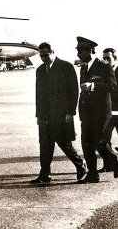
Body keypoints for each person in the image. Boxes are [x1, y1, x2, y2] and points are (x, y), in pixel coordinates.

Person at [31, 42, 87, 184]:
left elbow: (74, 91)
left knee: (64, 143)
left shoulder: (66, 67)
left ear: (52, 52)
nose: (43, 58)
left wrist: (70, 112)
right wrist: (38, 115)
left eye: (46, 55)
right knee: (44, 145)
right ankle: (45, 174)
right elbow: (39, 95)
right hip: (45, 115)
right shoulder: (40, 70)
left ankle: (81, 166)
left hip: (61, 114)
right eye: (41, 56)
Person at [76, 36, 118, 183]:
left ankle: (115, 160)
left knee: (98, 142)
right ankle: (93, 174)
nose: (78, 54)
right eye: (78, 51)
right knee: (85, 143)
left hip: (101, 112)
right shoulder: (83, 67)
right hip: (87, 112)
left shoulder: (104, 65)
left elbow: (113, 86)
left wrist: (93, 86)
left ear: (91, 51)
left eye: (81, 51)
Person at [98, 48, 118, 171]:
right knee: (103, 139)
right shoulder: (103, 72)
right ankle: (109, 164)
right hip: (108, 112)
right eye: (103, 58)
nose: (105, 61)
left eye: (108, 58)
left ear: (115, 58)